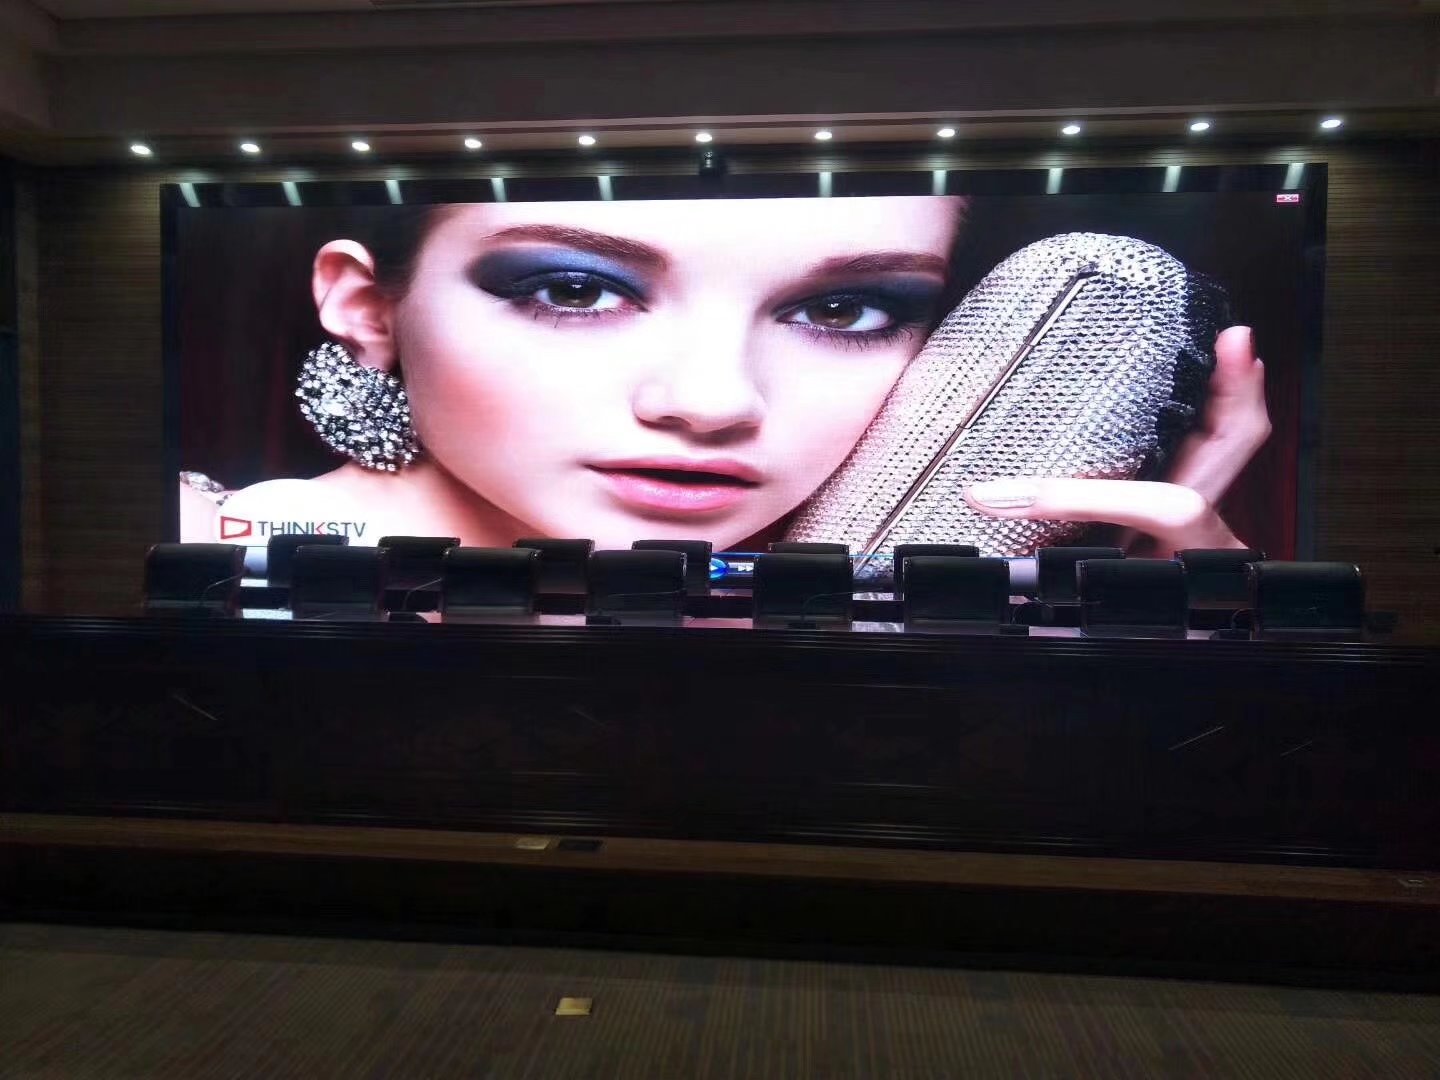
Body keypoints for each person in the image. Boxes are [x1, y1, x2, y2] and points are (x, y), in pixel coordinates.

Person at [181, 195, 1269, 555]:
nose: (712, 404)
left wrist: (1157, 640)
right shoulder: (202, 553)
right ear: (366, 306)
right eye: (575, 290)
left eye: (843, 310)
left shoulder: (856, 602)